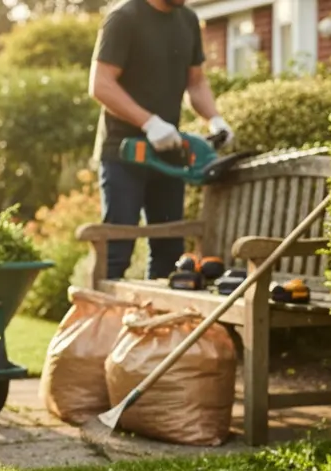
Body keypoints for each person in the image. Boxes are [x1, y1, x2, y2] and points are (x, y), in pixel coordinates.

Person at [88, 0, 233, 280]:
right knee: (118, 250)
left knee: (169, 250)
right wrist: (148, 122)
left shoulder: (187, 20)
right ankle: (100, 321)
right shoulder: (123, 18)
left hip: (168, 153)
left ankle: (153, 322)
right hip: (124, 154)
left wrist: (214, 118)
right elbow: (101, 84)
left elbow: (196, 81)